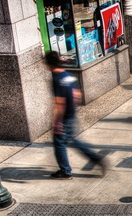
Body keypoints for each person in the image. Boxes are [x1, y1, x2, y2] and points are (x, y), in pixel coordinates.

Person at [45, 51, 106, 179]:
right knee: (72, 140)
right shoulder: (69, 75)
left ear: (49, 64)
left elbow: (59, 103)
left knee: (59, 143)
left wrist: (57, 122)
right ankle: (95, 158)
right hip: (71, 114)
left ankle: (65, 171)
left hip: (64, 117)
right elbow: (77, 95)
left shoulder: (56, 78)